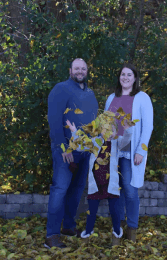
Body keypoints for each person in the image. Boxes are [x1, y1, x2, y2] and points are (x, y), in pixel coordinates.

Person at [44, 58, 99, 249]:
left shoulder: (91, 94)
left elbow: (94, 124)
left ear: (87, 70)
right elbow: (54, 120)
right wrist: (63, 148)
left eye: (83, 68)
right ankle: (51, 235)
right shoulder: (60, 89)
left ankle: (68, 227)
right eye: (77, 68)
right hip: (66, 152)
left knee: (76, 191)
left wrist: (94, 146)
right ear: (70, 70)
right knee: (60, 190)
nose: (80, 71)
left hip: (85, 152)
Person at [66, 113, 133, 246]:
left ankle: (116, 236)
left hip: (111, 185)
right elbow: (81, 144)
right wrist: (74, 131)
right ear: (100, 130)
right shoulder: (95, 142)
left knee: (115, 212)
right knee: (91, 213)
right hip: (95, 185)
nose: (108, 132)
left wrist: (126, 129)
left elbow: (126, 140)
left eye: (111, 129)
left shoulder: (116, 144)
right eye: (105, 129)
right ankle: (87, 237)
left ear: (115, 131)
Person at [104, 63, 153, 242]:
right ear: (119, 77)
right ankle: (118, 229)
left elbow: (148, 127)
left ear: (135, 78)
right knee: (116, 193)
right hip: (113, 153)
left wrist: (141, 150)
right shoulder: (111, 98)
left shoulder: (142, 98)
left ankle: (132, 229)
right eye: (123, 74)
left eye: (129, 75)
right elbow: (105, 125)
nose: (125, 77)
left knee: (131, 192)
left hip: (131, 154)